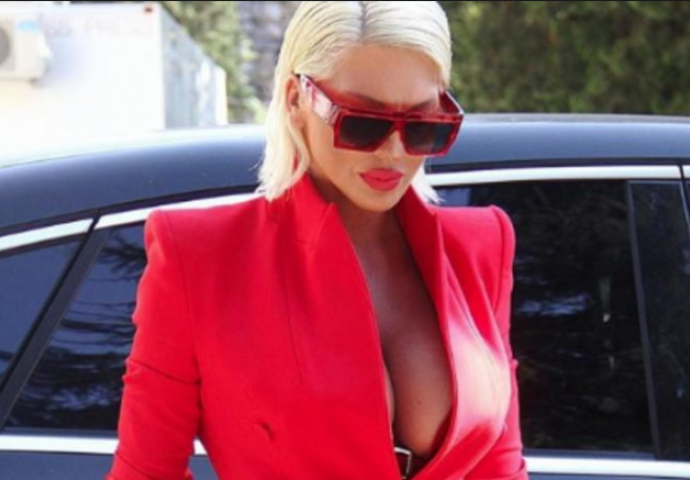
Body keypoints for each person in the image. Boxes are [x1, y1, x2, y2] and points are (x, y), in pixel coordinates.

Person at [104, 1, 528, 479]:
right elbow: (145, 472)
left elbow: (499, 465)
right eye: (363, 123)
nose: (393, 151)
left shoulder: (481, 246)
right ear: (294, 99)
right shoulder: (199, 256)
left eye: (423, 127)